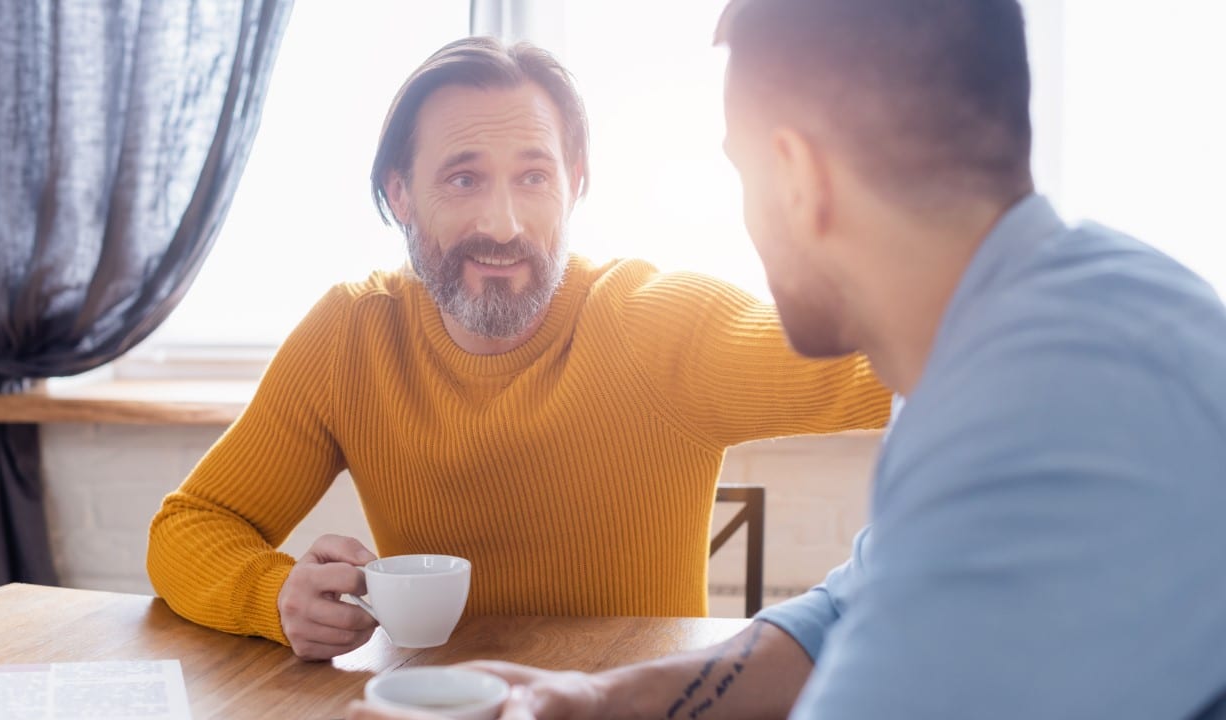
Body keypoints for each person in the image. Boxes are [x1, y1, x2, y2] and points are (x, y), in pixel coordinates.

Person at [345, 0, 1226, 717]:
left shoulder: (1049, 405)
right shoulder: (1023, 328)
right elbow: (847, 611)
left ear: (797, 176)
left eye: (739, 170)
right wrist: (597, 696)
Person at [146, 36, 891, 661]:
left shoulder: (656, 322)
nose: (503, 223)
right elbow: (189, 528)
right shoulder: (352, 334)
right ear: (401, 194)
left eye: (533, 177)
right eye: (464, 178)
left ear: (574, 185)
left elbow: (907, 350)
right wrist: (273, 595)